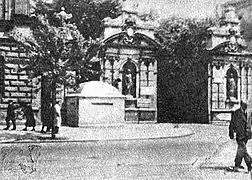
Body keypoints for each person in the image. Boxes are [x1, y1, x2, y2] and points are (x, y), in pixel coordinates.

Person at [229, 101, 252, 172]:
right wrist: (231, 132)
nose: (246, 107)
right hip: (240, 135)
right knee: (243, 149)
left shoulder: (249, 113)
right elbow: (232, 123)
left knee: (241, 149)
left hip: (247, 135)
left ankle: (237, 165)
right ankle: (249, 164)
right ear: (242, 105)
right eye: (245, 105)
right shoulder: (236, 113)